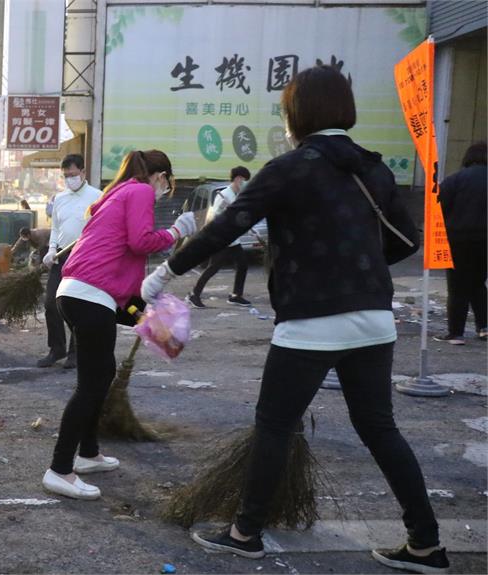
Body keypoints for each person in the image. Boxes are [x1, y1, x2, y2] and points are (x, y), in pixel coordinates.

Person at [141, 66, 447, 574]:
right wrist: (359, 271)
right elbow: (407, 240)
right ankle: (426, 543)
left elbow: (227, 226)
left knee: (274, 425)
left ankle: (246, 533)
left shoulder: (289, 168)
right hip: (375, 319)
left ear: (297, 114)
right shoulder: (374, 168)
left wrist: (163, 275)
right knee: (379, 428)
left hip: (311, 322)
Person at [42, 150, 196, 500]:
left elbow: (121, 268)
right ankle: (60, 469)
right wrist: (175, 231)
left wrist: (148, 314)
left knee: (102, 373)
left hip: (78, 293)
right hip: (90, 295)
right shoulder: (139, 190)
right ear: (160, 176)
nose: (164, 189)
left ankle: (88, 452)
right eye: (167, 182)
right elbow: (140, 242)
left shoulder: (116, 194)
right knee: (91, 386)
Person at [38, 154, 103, 369]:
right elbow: (56, 228)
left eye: (73, 175)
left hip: (85, 258)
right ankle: (57, 348)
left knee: (76, 305)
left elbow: (104, 229)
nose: (70, 179)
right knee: (51, 304)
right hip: (62, 257)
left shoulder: (98, 197)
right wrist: (51, 249)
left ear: (83, 172)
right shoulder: (60, 199)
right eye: (66, 176)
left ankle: (76, 352)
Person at [434, 141, 486, 344]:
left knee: (457, 286)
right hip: (486, 241)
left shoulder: (456, 179)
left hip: (458, 240)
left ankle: (456, 332)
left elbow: (439, 205)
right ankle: (484, 326)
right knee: (478, 283)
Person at [186, 166, 255, 308]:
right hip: (221, 238)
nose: (245, 183)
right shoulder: (224, 196)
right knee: (214, 267)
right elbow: (215, 217)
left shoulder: (236, 195)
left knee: (242, 264)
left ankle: (236, 295)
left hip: (232, 239)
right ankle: (194, 294)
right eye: (244, 180)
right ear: (237, 179)